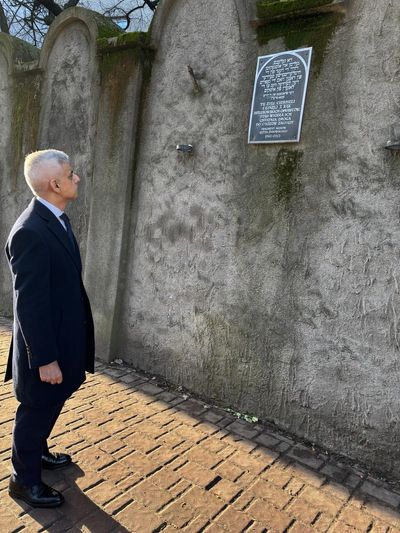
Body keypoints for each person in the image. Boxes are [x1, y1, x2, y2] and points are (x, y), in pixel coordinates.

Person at [4, 149, 95, 508]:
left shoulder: (55, 218)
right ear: (55, 183)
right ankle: (22, 481)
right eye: (71, 174)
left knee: (48, 404)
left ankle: (37, 452)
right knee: (35, 409)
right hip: (44, 348)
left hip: (62, 338)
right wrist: (44, 360)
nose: (76, 179)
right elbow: (30, 304)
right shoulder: (30, 231)